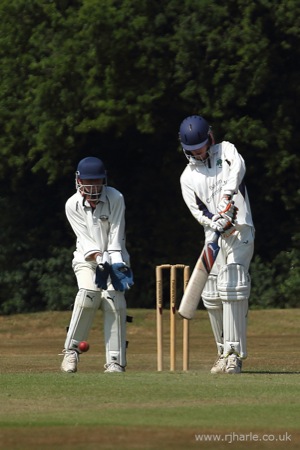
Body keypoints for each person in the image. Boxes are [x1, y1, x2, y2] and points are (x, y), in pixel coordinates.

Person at [178, 115, 254, 374]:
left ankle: (234, 355)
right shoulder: (187, 177)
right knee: (211, 293)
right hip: (214, 235)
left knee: (231, 283)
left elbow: (238, 170)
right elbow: (197, 211)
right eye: (192, 149)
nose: (198, 152)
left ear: (209, 137)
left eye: (201, 145)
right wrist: (215, 221)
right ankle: (222, 351)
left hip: (240, 229)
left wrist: (227, 199)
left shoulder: (227, 149)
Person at [61, 156, 133, 373]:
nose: (93, 187)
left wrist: (115, 263)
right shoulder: (72, 204)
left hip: (115, 258)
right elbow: (85, 240)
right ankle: (71, 352)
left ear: (104, 180)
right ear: (79, 181)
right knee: (88, 295)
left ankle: (115, 361)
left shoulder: (115, 197)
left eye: (97, 181)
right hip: (87, 261)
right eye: (88, 181)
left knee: (114, 301)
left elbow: (116, 234)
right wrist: (99, 260)